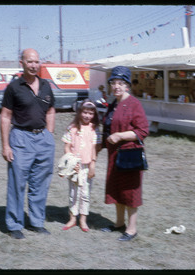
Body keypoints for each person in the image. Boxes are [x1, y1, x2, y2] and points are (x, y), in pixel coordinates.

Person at [1, 48, 56, 240]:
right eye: (29, 62)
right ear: (22, 63)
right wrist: (6, 145)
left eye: (36, 62)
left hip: (43, 139)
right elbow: (6, 116)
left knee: (40, 183)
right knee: (17, 183)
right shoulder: (14, 87)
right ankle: (14, 224)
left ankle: (36, 222)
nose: (33, 65)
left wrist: (48, 135)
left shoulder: (46, 85)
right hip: (21, 138)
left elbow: (50, 111)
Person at [100, 66, 149, 242]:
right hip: (114, 155)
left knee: (130, 192)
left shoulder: (134, 104)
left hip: (129, 156)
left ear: (127, 85)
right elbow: (107, 128)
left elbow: (142, 131)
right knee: (117, 190)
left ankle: (132, 228)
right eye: (113, 83)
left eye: (121, 83)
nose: (117, 86)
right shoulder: (114, 104)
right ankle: (119, 223)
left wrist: (120, 135)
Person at [60, 100, 101, 232]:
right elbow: (66, 147)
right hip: (74, 166)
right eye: (84, 112)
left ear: (94, 114)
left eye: (90, 113)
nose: (87, 116)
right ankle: (72, 218)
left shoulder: (94, 129)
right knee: (73, 193)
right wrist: (72, 162)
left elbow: (95, 148)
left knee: (85, 193)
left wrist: (93, 165)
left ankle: (83, 219)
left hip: (87, 166)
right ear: (79, 112)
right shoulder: (72, 127)